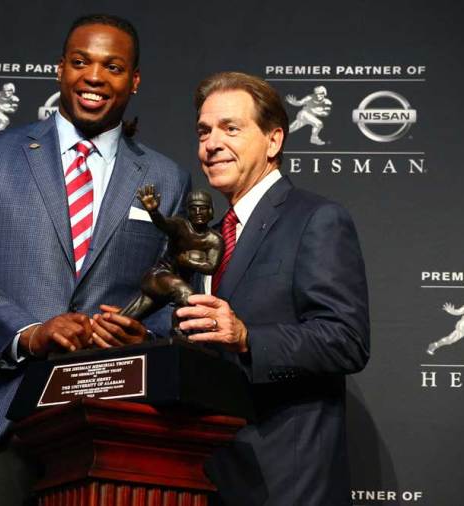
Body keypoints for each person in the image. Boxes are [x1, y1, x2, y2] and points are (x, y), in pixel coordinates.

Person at [0, 14, 190, 506]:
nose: (94, 77)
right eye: (80, 62)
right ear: (59, 70)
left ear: (133, 81)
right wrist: (29, 332)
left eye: (112, 67)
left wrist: (147, 335)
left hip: (112, 427)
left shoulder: (167, 178)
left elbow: (174, 292)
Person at [176, 72, 370, 506]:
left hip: (285, 479)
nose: (211, 144)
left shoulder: (316, 219)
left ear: (273, 140)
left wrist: (247, 338)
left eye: (231, 128)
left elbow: (347, 341)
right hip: (206, 470)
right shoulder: (203, 233)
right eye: (204, 131)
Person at [119, 186, 223, 329]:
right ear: (188, 212)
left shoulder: (214, 239)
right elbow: (164, 224)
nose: (198, 212)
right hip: (159, 277)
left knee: (126, 318)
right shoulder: (180, 226)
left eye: (202, 208)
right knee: (187, 294)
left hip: (175, 285)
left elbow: (211, 267)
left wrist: (188, 261)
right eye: (193, 209)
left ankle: (97, 339)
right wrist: (154, 211)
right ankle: (179, 332)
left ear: (210, 211)